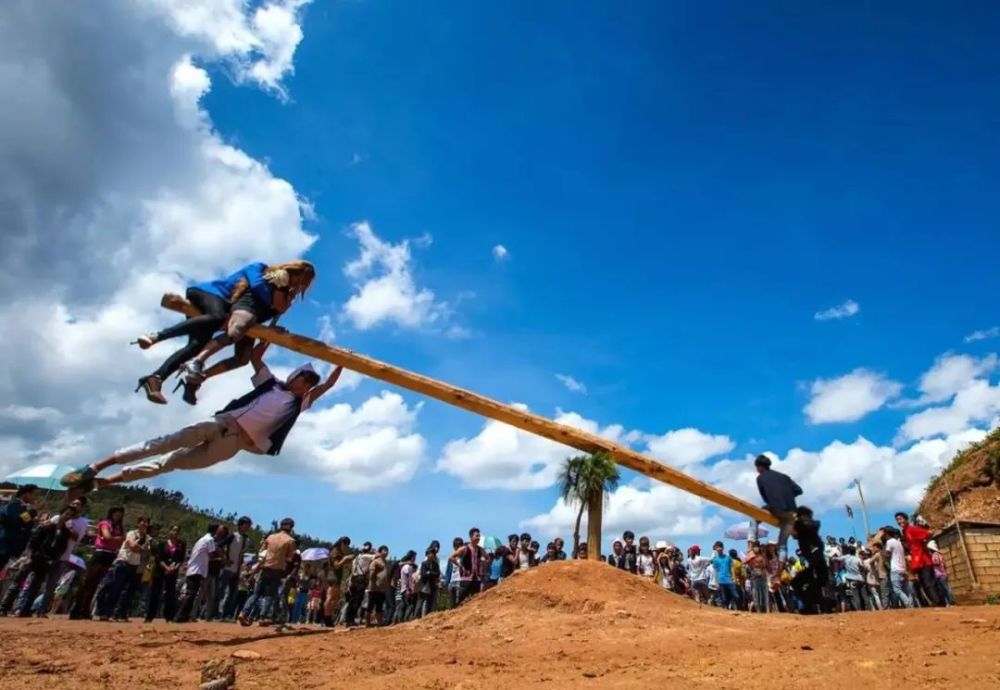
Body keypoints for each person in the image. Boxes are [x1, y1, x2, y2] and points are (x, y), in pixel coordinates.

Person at [60, 341, 343, 492]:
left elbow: (327, 386)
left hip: (232, 444)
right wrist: (270, 333)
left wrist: (340, 362)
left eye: (310, 382)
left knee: (168, 463)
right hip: (220, 423)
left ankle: (105, 482)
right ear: (295, 376)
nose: (306, 384)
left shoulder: (299, 404)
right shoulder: (270, 384)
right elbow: (257, 357)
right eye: (303, 378)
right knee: (165, 442)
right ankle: (95, 467)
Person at [131, 261, 310, 404]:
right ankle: (158, 336)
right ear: (291, 270)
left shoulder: (284, 294)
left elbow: (263, 314)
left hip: (232, 311)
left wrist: (277, 316)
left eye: (302, 284)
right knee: (217, 318)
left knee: (199, 347)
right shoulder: (260, 269)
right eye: (299, 279)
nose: (298, 285)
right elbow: (257, 287)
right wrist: (279, 294)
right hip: (211, 295)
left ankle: (156, 378)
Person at [3, 504, 76, 617]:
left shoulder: (65, 532)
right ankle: (4, 607)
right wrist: (30, 555)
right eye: (66, 513)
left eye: (70, 515)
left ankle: (25, 610)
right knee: (18, 581)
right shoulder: (46, 527)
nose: (67, 516)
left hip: (46, 560)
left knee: (35, 586)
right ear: (61, 513)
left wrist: (53, 558)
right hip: (34, 557)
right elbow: (34, 540)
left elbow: (62, 548)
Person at [69, 506, 125, 620]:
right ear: (112, 513)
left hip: (111, 554)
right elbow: (107, 536)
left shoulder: (119, 526)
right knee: (88, 582)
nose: (118, 515)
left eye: (120, 513)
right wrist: (117, 539)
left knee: (95, 584)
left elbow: (120, 539)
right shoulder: (105, 523)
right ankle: (75, 610)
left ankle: (85, 611)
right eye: (116, 513)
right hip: (101, 553)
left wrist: (115, 539)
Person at [239, 518, 295, 626]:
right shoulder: (290, 541)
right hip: (278, 570)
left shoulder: (271, 537)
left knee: (256, 594)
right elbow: (290, 558)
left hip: (265, 568)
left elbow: (261, 551)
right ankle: (262, 617)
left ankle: (243, 613)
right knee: (270, 595)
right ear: (291, 527)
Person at [752, 455, 802, 561]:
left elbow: (765, 497)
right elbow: (798, 490)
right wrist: (786, 496)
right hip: (793, 512)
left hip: (777, 509)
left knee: (754, 518)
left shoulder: (761, 478)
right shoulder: (785, 477)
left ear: (759, 467)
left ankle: (751, 546)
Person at [176, 524, 229, 623]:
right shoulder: (210, 540)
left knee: (193, 594)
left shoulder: (203, 539)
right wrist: (223, 560)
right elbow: (212, 555)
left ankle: (184, 616)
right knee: (191, 594)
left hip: (196, 569)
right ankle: (181, 616)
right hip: (198, 570)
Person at [895, 512, 940, 607]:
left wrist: (924, 543)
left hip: (924, 560)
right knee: (924, 583)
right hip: (917, 561)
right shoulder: (905, 531)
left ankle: (937, 602)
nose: (899, 521)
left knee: (928, 583)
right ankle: (935, 602)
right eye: (897, 520)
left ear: (906, 519)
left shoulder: (912, 529)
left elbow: (929, 533)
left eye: (900, 519)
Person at [146, 525, 185, 622]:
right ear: (169, 531)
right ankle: (150, 616)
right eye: (174, 530)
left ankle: (169, 617)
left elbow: (181, 559)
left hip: (173, 572)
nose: (175, 533)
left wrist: (175, 567)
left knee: (170, 595)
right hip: (160, 571)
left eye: (177, 531)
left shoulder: (181, 544)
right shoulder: (162, 543)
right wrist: (166, 567)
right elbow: (158, 558)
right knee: (155, 593)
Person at [216, 516, 252, 621]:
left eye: (249, 525)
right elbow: (219, 546)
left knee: (232, 594)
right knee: (221, 592)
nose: (248, 527)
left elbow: (242, 554)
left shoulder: (247, 539)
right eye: (246, 525)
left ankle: (227, 614)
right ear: (240, 525)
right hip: (227, 568)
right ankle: (215, 613)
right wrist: (224, 559)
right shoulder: (233, 536)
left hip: (237, 569)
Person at [0, 484, 38, 571]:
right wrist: (32, 512)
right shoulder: (14, 505)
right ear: (26, 494)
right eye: (33, 494)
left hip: (10, 548)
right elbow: (17, 520)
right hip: (4, 545)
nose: (34, 497)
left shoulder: (25, 508)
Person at [450, 528, 486, 605]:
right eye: (477, 536)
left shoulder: (480, 549)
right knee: (461, 602)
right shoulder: (464, 548)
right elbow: (451, 557)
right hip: (465, 579)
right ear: (471, 537)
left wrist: (483, 565)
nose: (478, 538)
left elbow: (488, 558)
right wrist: (460, 566)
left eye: (479, 536)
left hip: (476, 579)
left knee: (475, 601)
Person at [323, 537, 353, 626]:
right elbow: (336, 566)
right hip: (334, 577)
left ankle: (328, 618)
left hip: (334, 576)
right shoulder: (336, 552)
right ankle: (327, 618)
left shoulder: (336, 551)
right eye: (345, 544)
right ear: (341, 543)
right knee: (331, 598)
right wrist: (346, 559)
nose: (346, 546)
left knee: (333, 598)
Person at [883, 527, 913, 608]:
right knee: (905, 590)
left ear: (887, 534)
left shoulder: (889, 542)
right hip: (903, 568)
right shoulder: (898, 542)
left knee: (897, 589)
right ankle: (911, 604)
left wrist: (885, 555)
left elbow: (887, 554)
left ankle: (908, 604)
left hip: (895, 568)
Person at [711, 542, 739, 610]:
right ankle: (726, 611)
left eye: (720, 547)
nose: (719, 548)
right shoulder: (715, 560)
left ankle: (731, 605)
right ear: (715, 549)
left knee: (736, 595)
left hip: (729, 579)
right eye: (717, 547)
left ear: (723, 548)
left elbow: (732, 568)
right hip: (721, 580)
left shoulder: (728, 558)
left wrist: (734, 578)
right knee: (724, 598)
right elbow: (715, 571)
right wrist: (716, 582)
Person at [417, 543, 441, 618]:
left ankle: (428, 617)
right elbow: (423, 574)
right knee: (423, 602)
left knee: (431, 602)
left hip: (432, 585)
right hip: (424, 585)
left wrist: (429, 572)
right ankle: (421, 617)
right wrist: (430, 573)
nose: (431, 555)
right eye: (429, 553)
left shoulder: (435, 564)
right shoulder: (424, 563)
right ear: (426, 554)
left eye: (432, 554)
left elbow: (437, 573)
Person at [927, 541, 954, 606]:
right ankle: (948, 603)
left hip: (940, 574)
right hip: (940, 574)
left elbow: (937, 562)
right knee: (943, 590)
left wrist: (930, 563)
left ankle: (951, 602)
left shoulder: (936, 554)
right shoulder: (939, 554)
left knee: (946, 589)